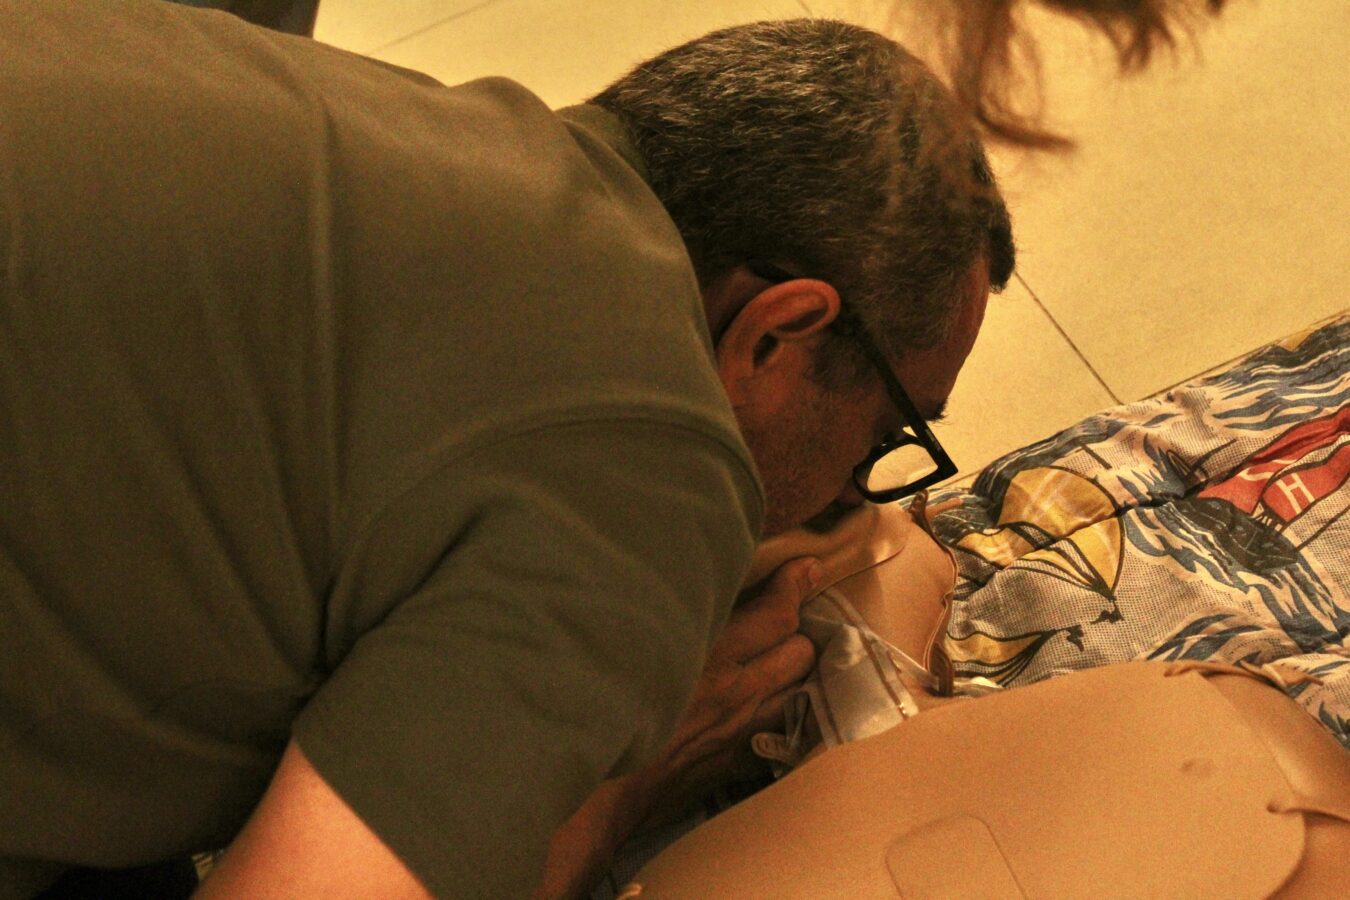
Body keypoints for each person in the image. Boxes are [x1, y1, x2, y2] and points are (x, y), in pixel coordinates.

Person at [0, 3, 1011, 898]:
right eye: (885, 435)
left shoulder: (409, 129)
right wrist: (620, 787)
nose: (855, 500)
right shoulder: (653, 456)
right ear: (774, 336)